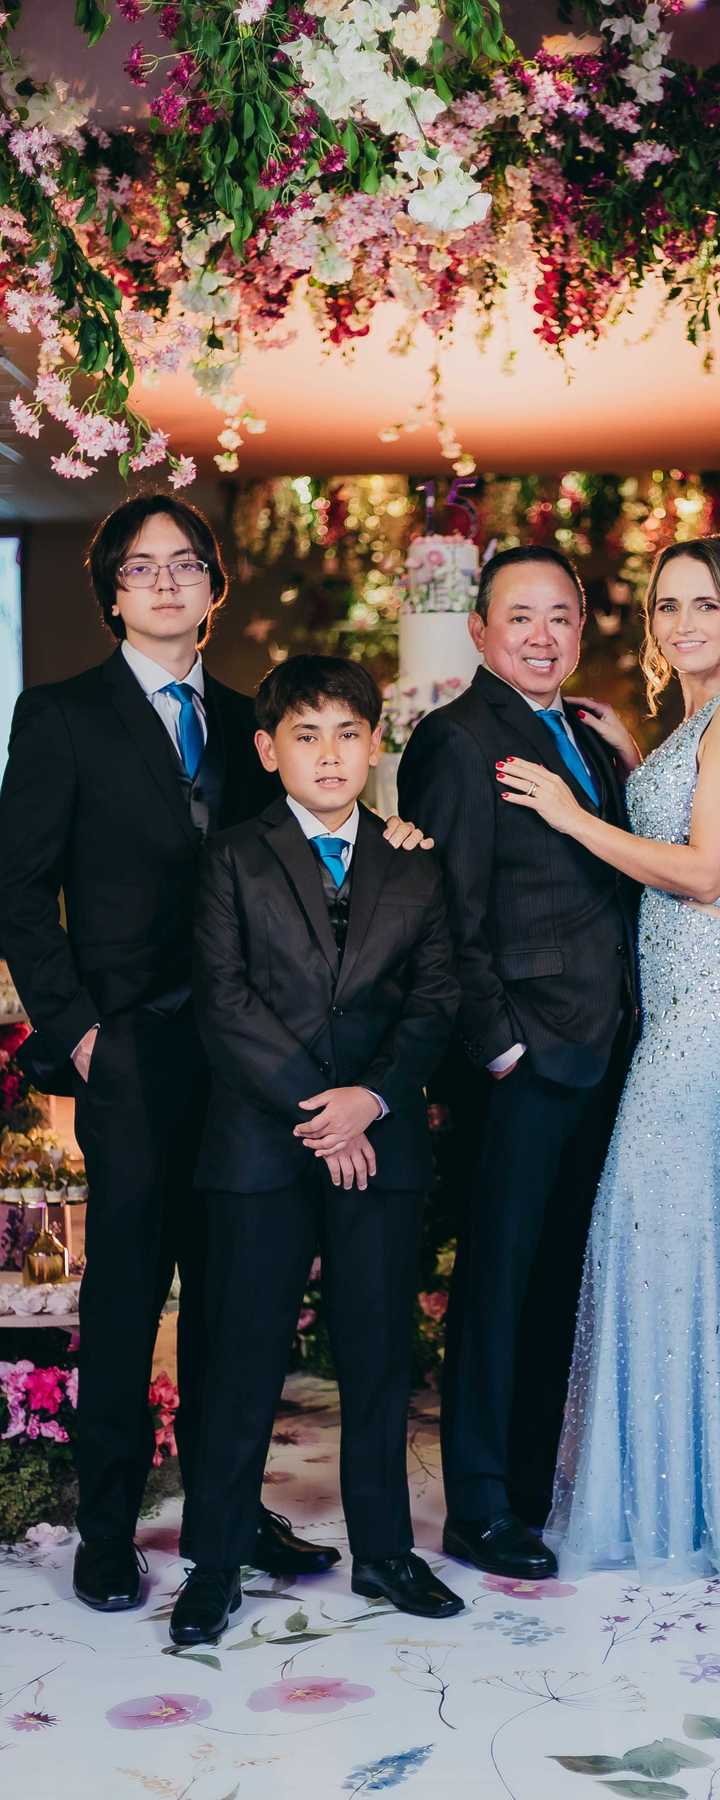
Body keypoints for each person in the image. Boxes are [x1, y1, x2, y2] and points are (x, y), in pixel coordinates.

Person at [0, 496, 371, 1612]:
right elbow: (19, 891)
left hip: (249, 1062)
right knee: (124, 1300)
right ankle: (106, 1531)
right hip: (129, 1055)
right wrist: (78, 1033)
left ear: (214, 585)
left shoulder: (260, 720)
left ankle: (227, 1516)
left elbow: (312, 844)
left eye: (185, 564)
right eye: (141, 566)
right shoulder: (60, 715)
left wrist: (389, 836)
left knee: (236, 1299)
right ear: (112, 592)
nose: (165, 582)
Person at [499, 536, 720, 1582]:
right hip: (673, 998)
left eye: (705, 605)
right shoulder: (691, 723)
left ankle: (696, 1501)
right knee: (661, 1225)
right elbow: (683, 823)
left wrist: (571, 815)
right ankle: (670, 1486)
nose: (683, 623)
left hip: (714, 996)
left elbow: (709, 871)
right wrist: (630, 763)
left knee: (664, 1220)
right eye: (667, 606)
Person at [169, 657, 462, 1645]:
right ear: (267, 750)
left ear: (375, 745)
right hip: (262, 1146)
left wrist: (369, 1101)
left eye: (347, 734)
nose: (329, 754)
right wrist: (322, 1112)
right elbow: (224, 1003)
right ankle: (216, 1562)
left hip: (378, 1143)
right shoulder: (231, 859)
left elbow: (435, 1002)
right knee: (242, 1357)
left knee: (378, 1354)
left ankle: (385, 1550)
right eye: (306, 735)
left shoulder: (414, 862)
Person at [395, 545, 639, 1581]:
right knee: (498, 1286)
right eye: (520, 617)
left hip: (602, 1048)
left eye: (560, 617)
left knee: (555, 1286)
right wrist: (497, 1045)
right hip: (522, 1059)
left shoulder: (585, 736)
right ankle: (482, 1507)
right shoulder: (456, 740)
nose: (542, 636)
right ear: (481, 632)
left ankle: (532, 1494)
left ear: (580, 629)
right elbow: (445, 913)